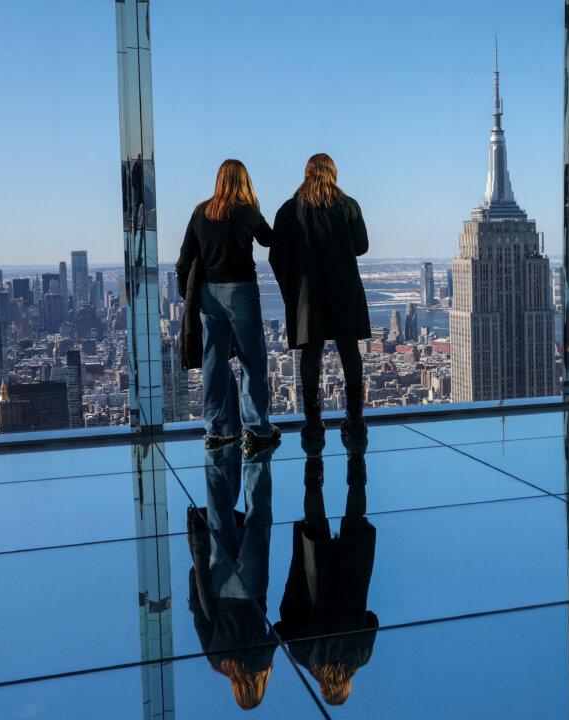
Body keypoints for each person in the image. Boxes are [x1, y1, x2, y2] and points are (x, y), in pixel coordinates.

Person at [177, 159, 281, 455]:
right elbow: (269, 239)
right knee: (252, 358)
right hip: (240, 289)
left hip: (208, 293)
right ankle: (257, 428)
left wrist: (189, 295)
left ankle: (216, 429)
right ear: (243, 181)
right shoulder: (247, 210)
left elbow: (185, 258)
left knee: (214, 359)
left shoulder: (201, 211)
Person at [270, 154, 371, 448]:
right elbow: (362, 246)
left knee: (311, 353)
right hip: (343, 288)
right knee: (349, 350)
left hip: (308, 293)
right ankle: (355, 420)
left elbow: (276, 256)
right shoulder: (348, 205)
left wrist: (291, 290)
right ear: (334, 174)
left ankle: (313, 423)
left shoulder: (290, 209)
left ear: (306, 174)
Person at [274, 441, 377, 706]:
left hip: (350, 580)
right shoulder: (304, 655)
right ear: (322, 689)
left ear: (347, 686)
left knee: (355, 518)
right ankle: (313, 464)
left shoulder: (361, 657)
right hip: (315, 579)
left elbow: (371, 619)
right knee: (315, 522)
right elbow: (284, 624)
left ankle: (356, 466)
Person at [187, 442, 277, 709]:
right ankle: (214, 450)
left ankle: (257, 450)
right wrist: (197, 575)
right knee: (218, 514)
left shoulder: (260, 662)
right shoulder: (217, 662)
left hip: (250, 589)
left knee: (258, 515)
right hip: (219, 587)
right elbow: (199, 616)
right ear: (237, 691)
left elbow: (275, 635)